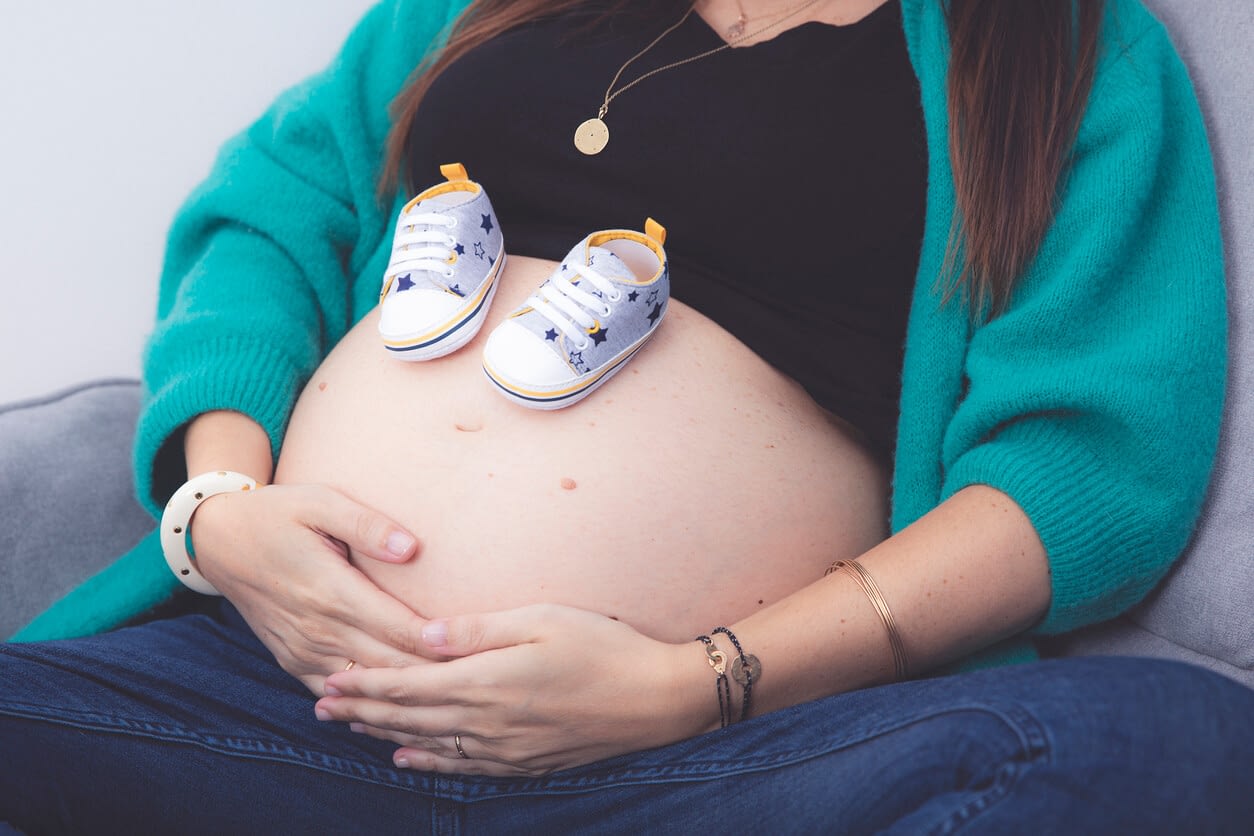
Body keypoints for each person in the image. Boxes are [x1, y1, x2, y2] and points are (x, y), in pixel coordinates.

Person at [3, 0, 1253, 832]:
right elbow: (270, 215)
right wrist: (218, 514)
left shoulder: (1060, 50)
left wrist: (695, 685)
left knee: (1171, 743)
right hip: (283, 691)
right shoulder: (478, 13)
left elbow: (1083, 463)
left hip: (700, 763)